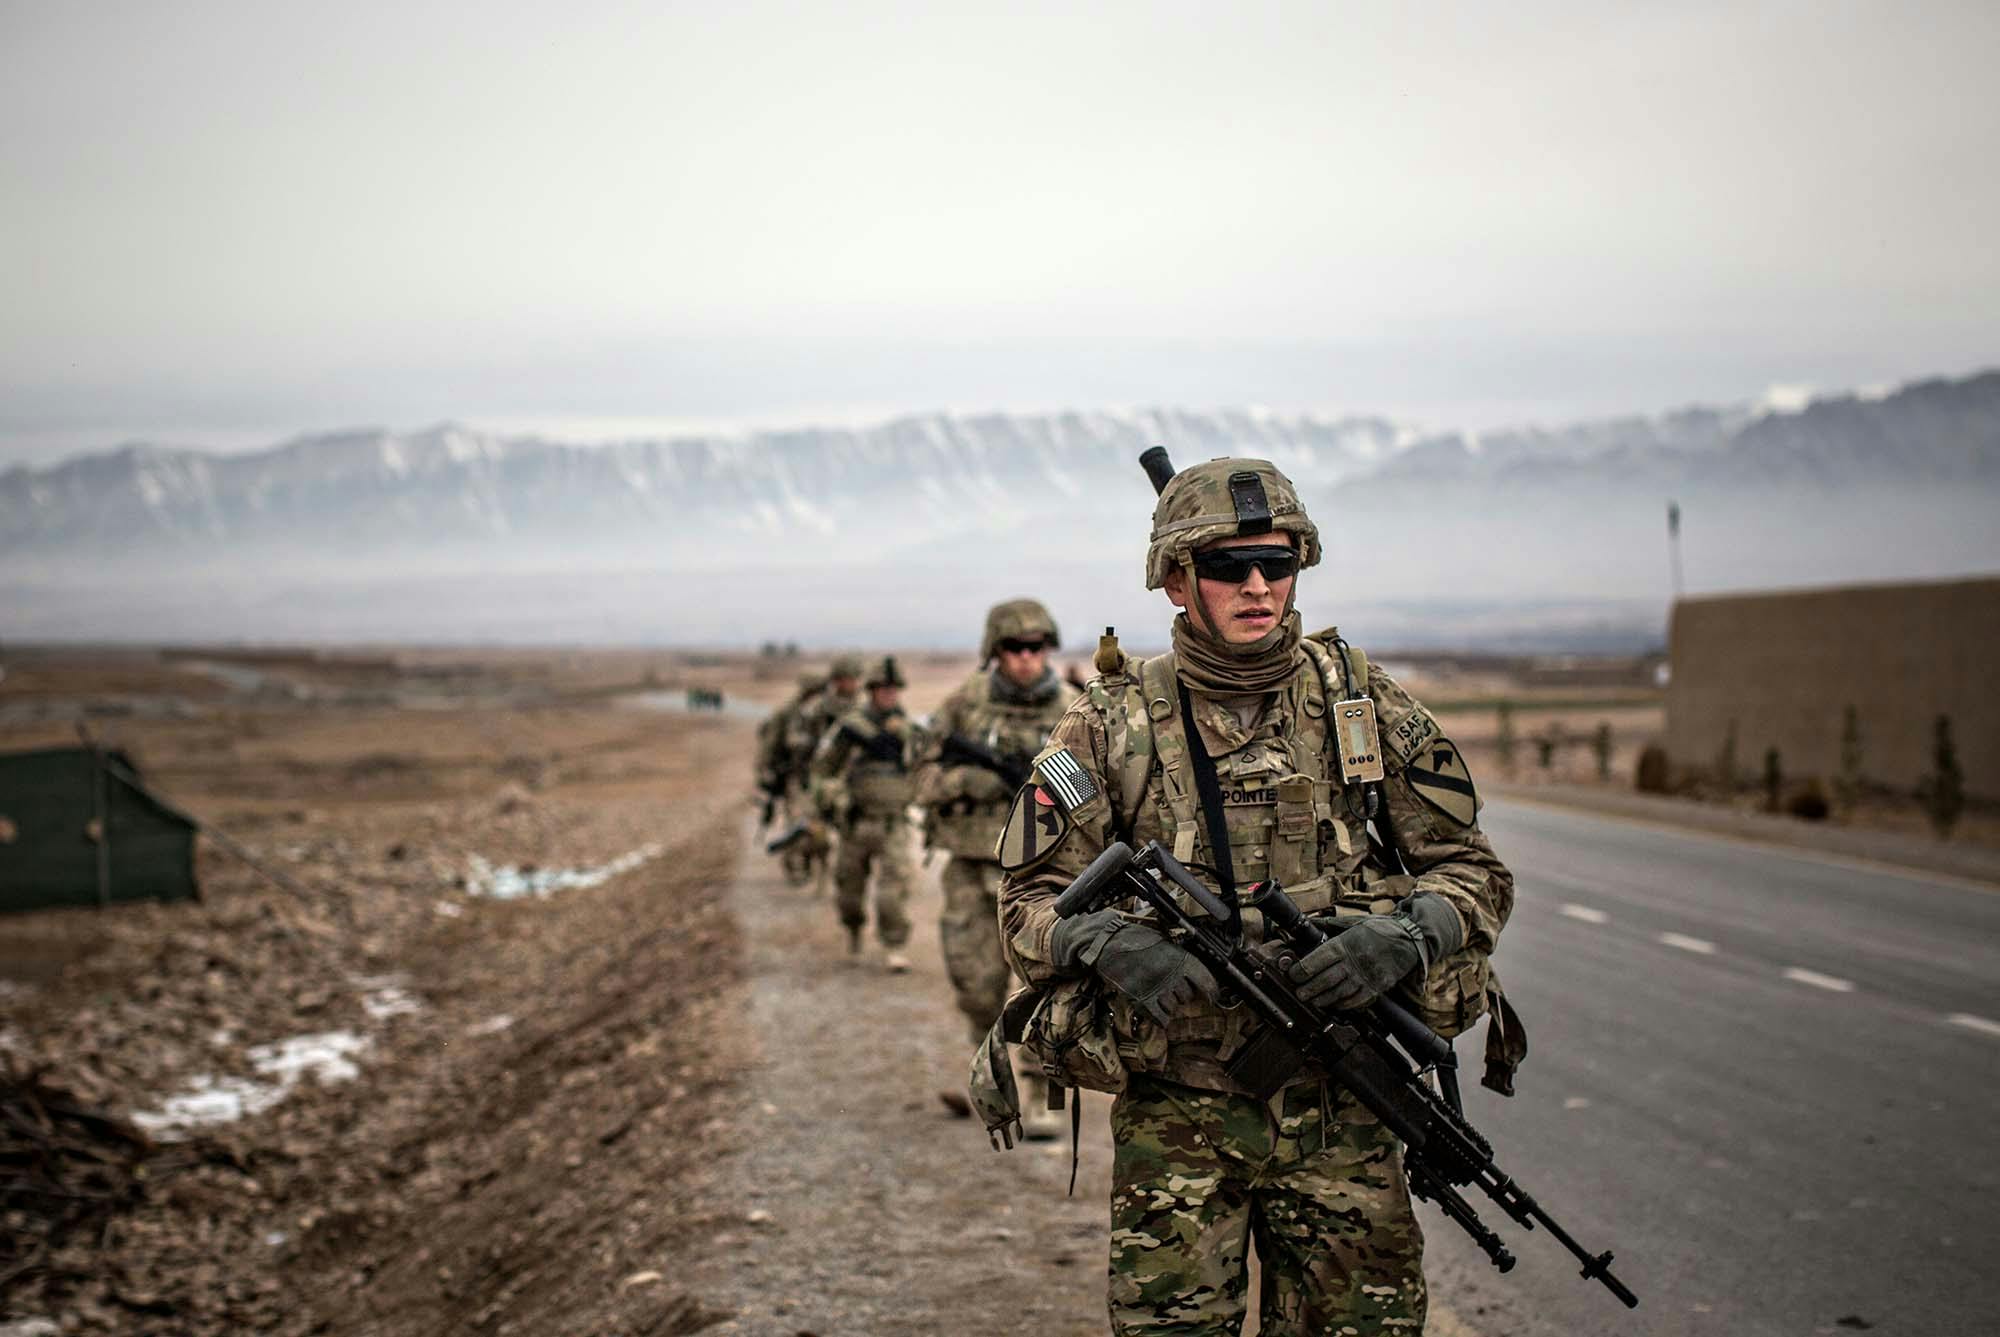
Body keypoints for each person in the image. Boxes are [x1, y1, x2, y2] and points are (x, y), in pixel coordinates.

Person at [995, 457, 1514, 1335]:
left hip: (1346, 1107)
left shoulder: (1360, 702)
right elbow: (1024, 905)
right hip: (1179, 1112)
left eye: (1278, 562)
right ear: (1174, 578)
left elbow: (1476, 872)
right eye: (1229, 566)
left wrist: (1409, 934)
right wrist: (1104, 943)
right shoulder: (1110, 720)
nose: (1259, 584)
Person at [915, 600, 1078, 1136]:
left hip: (1048, 873)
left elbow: (1102, 793)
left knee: (1046, 986)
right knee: (975, 983)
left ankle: (1033, 1095)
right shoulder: (963, 707)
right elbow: (917, 776)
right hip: (972, 864)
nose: (1027, 659)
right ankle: (989, 1080)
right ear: (994, 652)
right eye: (1014, 648)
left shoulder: (1075, 711)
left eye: (1036, 647)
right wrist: (966, 783)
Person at [811, 656, 921, 971]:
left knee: (892, 894)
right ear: (871, 690)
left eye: (894, 689)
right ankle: (854, 930)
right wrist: (833, 796)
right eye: (882, 688)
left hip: (893, 824)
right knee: (849, 891)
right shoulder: (850, 728)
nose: (889, 694)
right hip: (856, 823)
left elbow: (925, 768)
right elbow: (822, 769)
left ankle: (894, 946)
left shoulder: (908, 729)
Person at [756, 671, 826, 881]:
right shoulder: (788, 714)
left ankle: (816, 863)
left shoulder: (824, 713)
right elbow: (770, 745)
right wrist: (765, 773)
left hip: (820, 780)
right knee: (798, 824)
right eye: (815, 692)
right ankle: (796, 864)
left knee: (819, 826)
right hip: (795, 778)